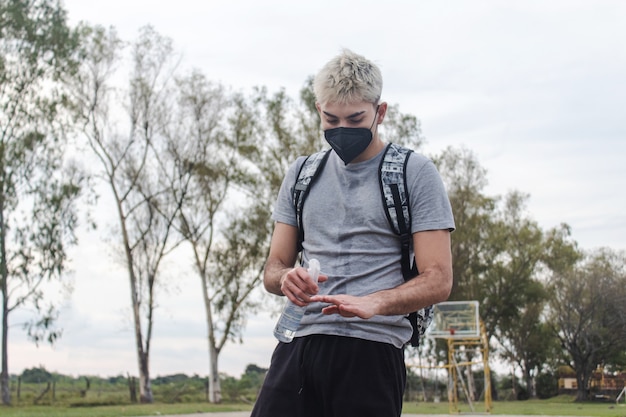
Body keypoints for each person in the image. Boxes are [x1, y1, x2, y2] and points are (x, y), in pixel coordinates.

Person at [250, 49, 455, 417]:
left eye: (356, 118)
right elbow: (272, 268)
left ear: (381, 112)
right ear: (318, 111)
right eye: (331, 119)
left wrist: (375, 302)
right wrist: (286, 279)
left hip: (372, 349)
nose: (342, 129)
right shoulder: (301, 174)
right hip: (300, 341)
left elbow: (438, 280)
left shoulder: (415, 173)